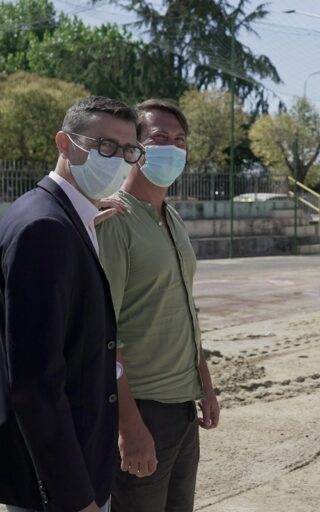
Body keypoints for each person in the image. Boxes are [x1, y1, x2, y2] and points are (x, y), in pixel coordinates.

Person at [0, 96, 141, 512]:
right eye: (104, 146)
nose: (117, 159)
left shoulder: (61, 216)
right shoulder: (46, 228)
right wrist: (75, 498)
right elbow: (34, 384)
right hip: (54, 488)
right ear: (64, 143)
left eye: (128, 150)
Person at [97, 98, 219, 512]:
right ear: (135, 148)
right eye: (160, 138)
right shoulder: (114, 221)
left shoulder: (173, 219)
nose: (173, 148)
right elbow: (104, 332)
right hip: (143, 410)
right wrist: (127, 424)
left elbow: (186, 306)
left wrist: (204, 382)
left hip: (182, 410)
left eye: (180, 140)